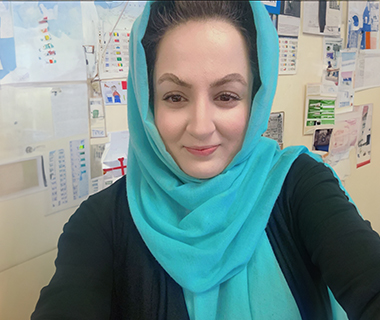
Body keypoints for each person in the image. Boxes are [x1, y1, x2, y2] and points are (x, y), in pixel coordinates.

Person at [31, 1, 380, 319]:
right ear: (147, 103)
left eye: (226, 96)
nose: (200, 127)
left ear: (254, 100)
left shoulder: (299, 186)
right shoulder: (100, 223)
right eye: (175, 96)